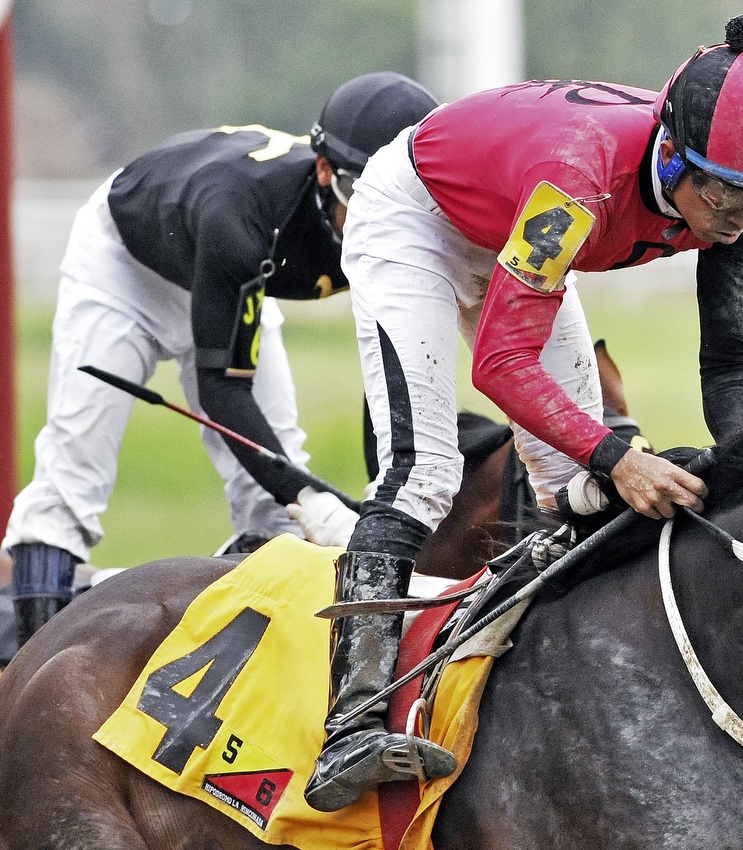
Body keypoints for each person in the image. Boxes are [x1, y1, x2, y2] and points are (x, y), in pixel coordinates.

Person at [304, 13, 743, 811]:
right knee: (425, 471)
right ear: (674, 154)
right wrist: (620, 458)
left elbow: (728, 361)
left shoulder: (735, 203)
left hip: (512, 216)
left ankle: (547, 681)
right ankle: (351, 725)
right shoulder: (575, 183)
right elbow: (500, 364)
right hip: (417, 220)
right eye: (726, 194)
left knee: (566, 477)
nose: (739, 219)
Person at [1, 72, 439, 650]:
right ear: (325, 171)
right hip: (129, 265)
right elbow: (223, 389)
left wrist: (379, 496)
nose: (382, 216)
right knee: (74, 474)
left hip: (231, 270)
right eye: (363, 193)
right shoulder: (243, 221)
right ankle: (26, 662)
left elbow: (386, 366)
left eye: (405, 193)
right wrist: (316, 499)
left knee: (275, 514)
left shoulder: (393, 226)